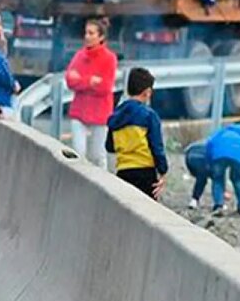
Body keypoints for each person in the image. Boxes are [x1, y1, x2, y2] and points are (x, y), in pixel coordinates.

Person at [106, 67, 167, 199]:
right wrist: (163, 171)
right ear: (147, 92)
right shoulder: (149, 116)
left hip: (123, 172)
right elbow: (157, 147)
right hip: (145, 172)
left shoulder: (116, 116)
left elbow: (109, 146)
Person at [65, 18, 117, 168]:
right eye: (86, 33)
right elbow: (70, 80)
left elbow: (105, 87)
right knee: (77, 153)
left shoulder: (109, 58)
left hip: (100, 113)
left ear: (101, 37)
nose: (87, 36)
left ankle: (102, 187)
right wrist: (90, 81)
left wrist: (80, 80)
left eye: (91, 33)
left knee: (97, 156)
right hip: (79, 111)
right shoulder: (79, 56)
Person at [205, 122, 240, 214]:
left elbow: (210, 143)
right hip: (238, 155)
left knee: (218, 179)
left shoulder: (224, 130)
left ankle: (218, 205)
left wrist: (209, 163)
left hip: (219, 154)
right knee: (236, 179)